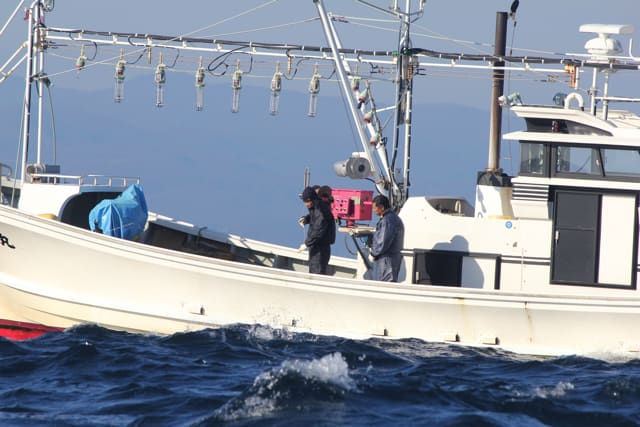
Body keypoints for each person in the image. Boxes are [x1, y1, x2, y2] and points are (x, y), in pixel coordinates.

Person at [298, 186, 336, 275]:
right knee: (314, 270)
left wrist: (307, 243)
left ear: (312, 199)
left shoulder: (319, 209)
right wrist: (306, 219)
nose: (306, 204)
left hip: (320, 248)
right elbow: (315, 217)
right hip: (317, 246)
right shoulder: (317, 206)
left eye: (307, 201)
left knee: (317, 273)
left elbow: (319, 228)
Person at [369, 194, 404, 282]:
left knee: (386, 282)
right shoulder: (393, 218)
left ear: (382, 207)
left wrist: (373, 253)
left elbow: (383, 241)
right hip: (393, 258)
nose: (373, 211)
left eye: (374, 208)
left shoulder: (387, 221)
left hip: (387, 259)